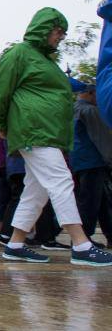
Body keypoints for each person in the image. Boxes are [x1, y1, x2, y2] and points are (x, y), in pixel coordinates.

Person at [0, 7, 112, 266]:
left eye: (63, 34)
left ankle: (16, 243)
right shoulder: (20, 53)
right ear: (44, 29)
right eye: (58, 32)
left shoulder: (43, 60)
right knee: (61, 180)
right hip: (34, 129)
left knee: (38, 189)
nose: (60, 37)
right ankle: (80, 243)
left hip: (44, 130)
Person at [70, 83, 112, 247]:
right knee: (91, 200)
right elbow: (101, 138)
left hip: (80, 160)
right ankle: (84, 237)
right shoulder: (90, 111)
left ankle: (101, 234)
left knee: (98, 200)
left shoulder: (72, 110)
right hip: (93, 160)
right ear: (91, 93)